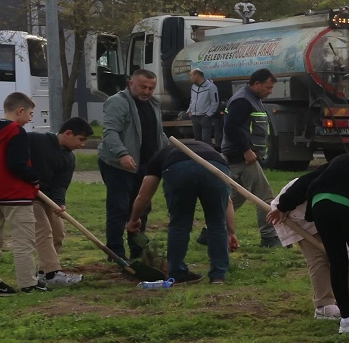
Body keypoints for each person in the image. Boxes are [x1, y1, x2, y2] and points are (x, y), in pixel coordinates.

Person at [270, 143, 349, 337]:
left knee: (337, 261)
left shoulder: (341, 159)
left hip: (321, 206)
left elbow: (307, 180)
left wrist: (283, 205)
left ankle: (347, 319)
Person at [125, 139, 239, 284]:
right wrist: (230, 232)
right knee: (217, 222)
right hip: (215, 166)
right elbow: (227, 202)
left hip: (178, 169)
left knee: (179, 224)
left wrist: (134, 219)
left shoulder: (160, 155)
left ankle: (177, 273)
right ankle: (218, 276)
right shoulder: (213, 152)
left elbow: (144, 196)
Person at [97, 68, 168, 260]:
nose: (147, 92)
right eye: (143, 87)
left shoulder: (154, 104)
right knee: (119, 209)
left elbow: (158, 133)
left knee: (141, 208)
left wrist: (168, 152)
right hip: (118, 166)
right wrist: (122, 154)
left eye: (151, 88)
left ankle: (138, 250)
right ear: (131, 83)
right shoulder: (117, 102)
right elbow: (110, 132)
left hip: (146, 166)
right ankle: (115, 253)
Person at [271, 171, 349, 320]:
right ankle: (324, 305)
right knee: (318, 258)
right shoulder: (334, 175)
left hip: (327, 213)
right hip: (294, 211)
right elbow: (300, 187)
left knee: (343, 255)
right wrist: (282, 207)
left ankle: (347, 300)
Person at [221, 68, 283, 248]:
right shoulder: (242, 100)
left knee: (236, 197)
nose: (270, 91)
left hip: (243, 156)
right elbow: (231, 127)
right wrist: (246, 150)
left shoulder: (252, 99)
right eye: (268, 87)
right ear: (256, 84)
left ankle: (210, 231)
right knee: (264, 196)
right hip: (243, 157)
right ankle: (269, 237)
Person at [29, 116, 93, 287]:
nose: (82, 145)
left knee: (58, 232)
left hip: (48, 198)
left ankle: (44, 272)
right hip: (28, 196)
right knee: (43, 230)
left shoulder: (69, 158)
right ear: (68, 133)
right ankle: (52, 274)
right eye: (81, 139)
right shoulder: (36, 140)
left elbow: (60, 184)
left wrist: (59, 202)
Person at [0, 92, 42, 294]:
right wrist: (34, 178)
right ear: (20, 110)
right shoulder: (16, 131)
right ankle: (28, 283)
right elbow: (17, 164)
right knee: (23, 240)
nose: (31, 118)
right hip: (15, 195)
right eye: (30, 114)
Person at [187, 69, 221, 149]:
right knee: (197, 140)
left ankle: (210, 154)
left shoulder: (211, 87)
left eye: (191, 76)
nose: (190, 78)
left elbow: (215, 102)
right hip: (195, 117)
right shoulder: (193, 87)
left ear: (197, 75)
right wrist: (189, 110)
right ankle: (200, 155)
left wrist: (208, 114)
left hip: (205, 117)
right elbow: (192, 100)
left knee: (205, 140)